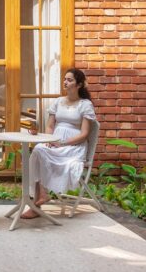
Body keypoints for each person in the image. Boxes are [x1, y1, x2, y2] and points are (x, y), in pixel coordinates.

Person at [21, 68, 96, 219]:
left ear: (79, 84)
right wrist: (49, 140)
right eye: (65, 79)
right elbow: (50, 126)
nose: (65, 82)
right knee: (38, 149)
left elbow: (85, 134)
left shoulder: (85, 104)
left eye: (70, 80)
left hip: (74, 146)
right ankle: (41, 195)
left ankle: (37, 204)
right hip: (54, 141)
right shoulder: (58, 101)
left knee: (38, 152)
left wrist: (62, 143)